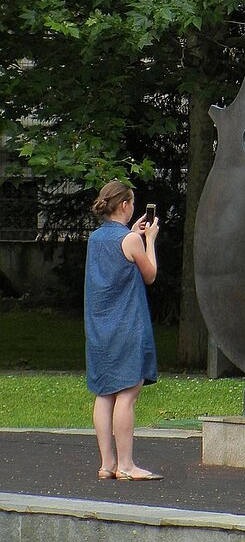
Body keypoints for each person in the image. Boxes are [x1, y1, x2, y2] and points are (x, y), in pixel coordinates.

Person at [84, 179, 162, 481]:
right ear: (126, 205)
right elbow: (150, 275)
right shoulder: (130, 240)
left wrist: (133, 236)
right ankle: (127, 465)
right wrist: (150, 239)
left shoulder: (96, 238)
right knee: (128, 392)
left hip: (99, 326)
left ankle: (107, 464)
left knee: (104, 393)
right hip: (126, 325)